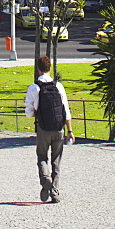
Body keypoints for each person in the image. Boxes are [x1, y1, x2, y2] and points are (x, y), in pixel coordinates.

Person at [25, 55, 74, 204]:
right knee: (56, 160)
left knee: (41, 156)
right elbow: (66, 109)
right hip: (59, 128)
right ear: (50, 68)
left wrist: (36, 111)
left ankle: (45, 177)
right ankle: (55, 193)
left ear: (38, 68)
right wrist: (70, 131)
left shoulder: (34, 88)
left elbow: (28, 113)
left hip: (43, 128)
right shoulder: (58, 86)